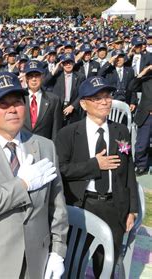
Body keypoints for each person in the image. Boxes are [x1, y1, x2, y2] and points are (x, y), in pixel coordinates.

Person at [0, 72, 68, 278]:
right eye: (2, 104)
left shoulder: (44, 146)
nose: (12, 109)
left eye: (17, 102)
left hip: (36, 259)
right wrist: (22, 184)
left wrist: (58, 252)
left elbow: (56, 205)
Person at [55, 76, 138, 277]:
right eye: (97, 98)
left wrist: (133, 209)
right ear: (83, 104)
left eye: (107, 96)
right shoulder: (68, 134)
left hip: (114, 206)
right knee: (74, 262)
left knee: (107, 265)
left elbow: (128, 172)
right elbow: (61, 170)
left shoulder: (121, 131)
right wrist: (94, 165)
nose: (105, 101)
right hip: (82, 206)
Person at [23, 60, 63, 140]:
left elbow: (56, 129)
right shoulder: (19, 98)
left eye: (37, 75)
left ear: (42, 77)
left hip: (44, 146)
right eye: (30, 76)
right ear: (26, 78)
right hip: (23, 146)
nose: (34, 79)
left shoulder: (53, 100)